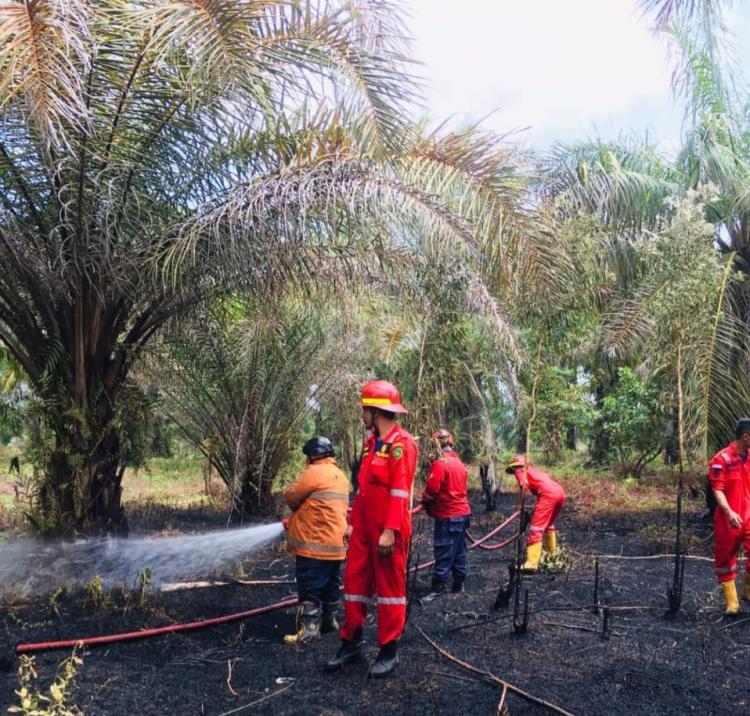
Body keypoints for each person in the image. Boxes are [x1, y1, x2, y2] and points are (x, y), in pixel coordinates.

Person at [325, 380, 418, 677]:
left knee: (390, 590)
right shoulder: (371, 444)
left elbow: (400, 493)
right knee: (354, 584)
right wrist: (352, 524)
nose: (362, 415)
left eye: (365, 410)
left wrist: (389, 530)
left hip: (387, 530)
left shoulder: (402, 445)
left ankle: (389, 649)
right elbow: (364, 490)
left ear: (376, 412)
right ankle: (351, 641)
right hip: (363, 528)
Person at [282, 436, 350, 644]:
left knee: (310, 586)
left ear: (312, 455)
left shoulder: (313, 473)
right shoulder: (341, 475)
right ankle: (329, 622)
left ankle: (310, 630)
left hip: (313, 546)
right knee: (331, 583)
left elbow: (292, 497)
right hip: (336, 545)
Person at [420, 429, 471, 599]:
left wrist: (425, 500)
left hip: (449, 516)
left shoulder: (441, 464)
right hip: (462, 514)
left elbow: (432, 489)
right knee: (458, 550)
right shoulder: (459, 463)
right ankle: (459, 584)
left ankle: (439, 587)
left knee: (444, 549)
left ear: (436, 445)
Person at [708, 418, 750, 615]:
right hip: (728, 517)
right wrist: (729, 511)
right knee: (725, 558)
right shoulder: (721, 459)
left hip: (748, 514)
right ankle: (732, 602)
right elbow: (718, 489)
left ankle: (748, 592)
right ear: (745, 436)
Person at [505, 455, 565, 572]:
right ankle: (551, 554)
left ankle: (532, 563)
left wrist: (520, 505)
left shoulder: (520, 470)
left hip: (548, 495)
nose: (514, 473)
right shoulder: (535, 471)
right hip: (560, 493)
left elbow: (524, 486)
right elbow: (545, 482)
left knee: (536, 527)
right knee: (548, 524)